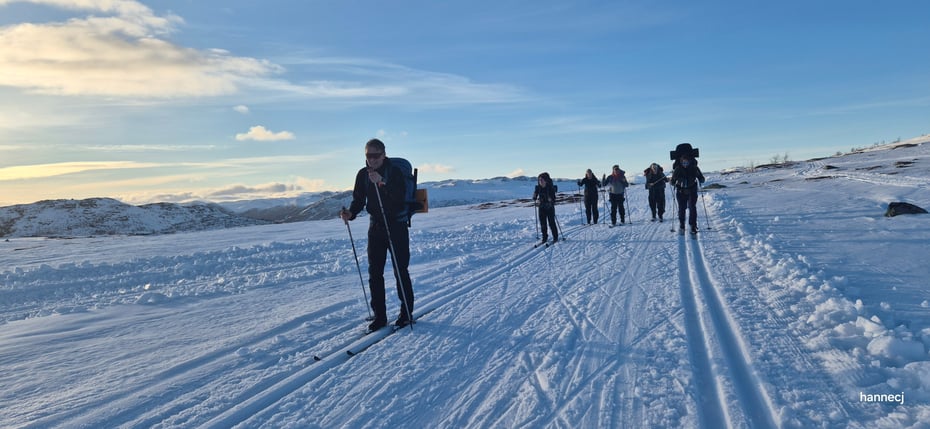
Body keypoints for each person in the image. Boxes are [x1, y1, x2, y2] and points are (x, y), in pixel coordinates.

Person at [339, 138, 415, 331]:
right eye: (368, 156)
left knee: (400, 270)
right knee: (375, 273)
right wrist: (351, 213)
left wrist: (381, 182)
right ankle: (380, 316)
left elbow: (399, 198)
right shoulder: (363, 175)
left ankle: (406, 313)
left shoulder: (394, 172)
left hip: (396, 226)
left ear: (383, 154)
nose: (371, 160)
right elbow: (359, 200)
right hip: (376, 227)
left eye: (375, 155)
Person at [671, 152, 706, 234]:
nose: (685, 164)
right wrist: (673, 182)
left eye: (686, 162)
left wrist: (701, 179)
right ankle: (682, 224)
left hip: (692, 190)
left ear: (689, 161)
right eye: (683, 162)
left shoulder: (694, 168)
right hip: (681, 191)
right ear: (681, 162)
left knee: (692, 207)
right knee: (681, 208)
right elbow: (673, 181)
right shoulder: (678, 169)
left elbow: (701, 177)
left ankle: (693, 225)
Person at [533, 172, 559, 244]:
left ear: (545, 180)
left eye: (542, 180)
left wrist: (551, 200)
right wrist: (534, 197)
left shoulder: (550, 188)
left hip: (549, 207)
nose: (540, 181)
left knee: (551, 223)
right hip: (541, 207)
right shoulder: (538, 187)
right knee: (543, 224)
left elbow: (554, 198)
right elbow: (535, 194)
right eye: (539, 180)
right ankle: (544, 238)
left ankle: (555, 237)